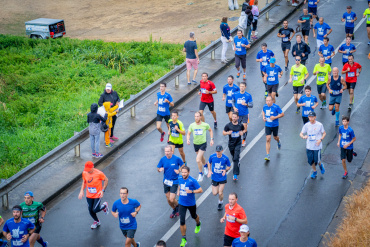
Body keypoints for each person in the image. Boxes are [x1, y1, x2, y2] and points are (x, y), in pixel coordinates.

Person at [78, 161, 109, 229]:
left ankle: (104, 206)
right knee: (90, 210)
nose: (88, 171)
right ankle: (97, 221)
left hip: (97, 194)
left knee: (95, 209)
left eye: (89, 170)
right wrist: (81, 191)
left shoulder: (99, 173)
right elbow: (84, 182)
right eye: (86, 170)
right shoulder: (84, 173)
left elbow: (106, 180)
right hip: (89, 195)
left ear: (93, 167)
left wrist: (102, 190)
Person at [177, 166, 203, 247]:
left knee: (193, 216)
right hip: (181, 203)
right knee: (182, 221)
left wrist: (191, 191)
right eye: (182, 172)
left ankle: (198, 223)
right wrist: (178, 191)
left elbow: (200, 190)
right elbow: (179, 185)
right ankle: (184, 239)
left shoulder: (192, 180)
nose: (183, 174)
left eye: (185, 172)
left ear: (188, 172)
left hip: (191, 203)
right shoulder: (180, 178)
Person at [157, 145, 184, 218]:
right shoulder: (163, 159)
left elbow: (183, 165)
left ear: (172, 151)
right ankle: (175, 209)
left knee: (172, 199)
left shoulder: (176, 159)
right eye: (165, 151)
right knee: (168, 199)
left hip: (174, 181)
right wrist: (160, 170)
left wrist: (179, 170)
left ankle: (178, 205)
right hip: (166, 181)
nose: (167, 153)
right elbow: (158, 168)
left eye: (168, 151)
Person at [187, 111, 214, 182]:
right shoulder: (192, 125)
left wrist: (211, 139)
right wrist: (188, 139)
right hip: (195, 144)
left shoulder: (205, 125)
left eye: (198, 116)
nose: (196, 118)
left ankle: (200, 174)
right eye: (195, 116)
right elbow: (188, 133)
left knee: (198, 159)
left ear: (201, 117)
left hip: (203, 144)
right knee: (201, 157)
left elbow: (210, 130)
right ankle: (205, 166)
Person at [300, 112, 326, 179]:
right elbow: (301, 133)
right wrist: (303, 136)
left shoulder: (319, 125)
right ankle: (315, 172)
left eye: (312, 117)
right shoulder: (306, 125)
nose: (311, 118)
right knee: (311, 161)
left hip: (317, 146)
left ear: (315, 117)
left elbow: (324, 133)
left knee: (316, 160)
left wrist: (320, 139)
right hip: (309, 146)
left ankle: (320, 165)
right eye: (309, 117)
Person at [207, 145, 231, 210]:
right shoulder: (212, 156)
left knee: (220, 193)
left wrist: (225, 170)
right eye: (217, 152)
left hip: (222, 177)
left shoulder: (225, 158)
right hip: (214, 177)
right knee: (215, 193)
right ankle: (218, 189)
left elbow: (229, 166)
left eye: (219, 152)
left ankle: (220, 202)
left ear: (222, 151)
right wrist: (209, 170)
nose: (218, 153)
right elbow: (209, 163)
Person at [223, 112, 246, 181]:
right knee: (234, 157)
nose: (234, 118)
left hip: (238, 143)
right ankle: (237, 163)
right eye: (233, 117)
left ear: (237, 118)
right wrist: (228, 133)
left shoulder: (240, 125)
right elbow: (223, 132)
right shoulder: (228, 125)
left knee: (236, 158)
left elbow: (244, 129)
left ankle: (235, 174)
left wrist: (242, 132)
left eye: (235, 117)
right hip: (231, 144)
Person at [262, 96, 284, 161]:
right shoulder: (265, 106)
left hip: (275, 125)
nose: (268, 102)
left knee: (275, 137)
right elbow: (263, 111)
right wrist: (263, 117)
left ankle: (278, 141)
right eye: (266, 101)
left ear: (272, 101)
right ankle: (267, 155)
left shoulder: (276, 107)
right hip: (267, 125)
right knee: (268, 139)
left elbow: (282, 114)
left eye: (269, 101)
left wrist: (275, 117)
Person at [232, 81, 253, 147]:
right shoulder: (235, 94)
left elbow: (251, 105)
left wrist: (246, 104)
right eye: (240, 86)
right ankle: (237, 139)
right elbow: (232, 101)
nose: (241, 88)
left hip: (244, 114)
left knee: (244, 127)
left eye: (243, 86)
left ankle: (243, 139)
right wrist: (234, 107)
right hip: (237, 114)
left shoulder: (248, 95)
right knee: (236, 127)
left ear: (245, 87)